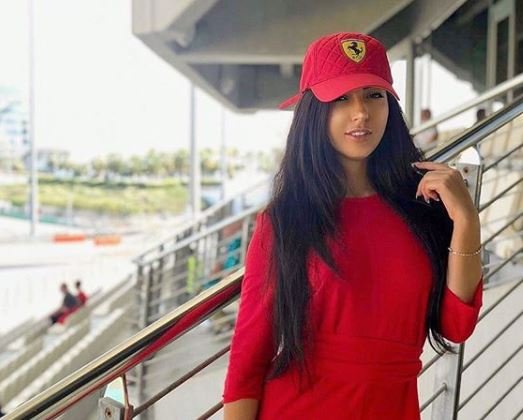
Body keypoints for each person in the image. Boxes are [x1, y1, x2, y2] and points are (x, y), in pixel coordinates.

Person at [222, 32, 483, 420]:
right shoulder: (286, 220)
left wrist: (466, 219)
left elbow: (456, 326)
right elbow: (248, 360)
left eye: (374, 95)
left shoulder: (424, 207)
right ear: (314, 112)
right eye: (341, 98)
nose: (361, 112)